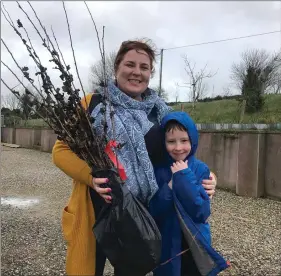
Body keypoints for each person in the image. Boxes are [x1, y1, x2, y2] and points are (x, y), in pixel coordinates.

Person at [52, 39, 217, 276]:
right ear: (117, 67)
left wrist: (211, 176)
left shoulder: (161, 113)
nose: (136, 72)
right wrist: (90, 177)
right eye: (130, 64)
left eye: (144, 67)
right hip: (95, 208)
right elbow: (60, 150)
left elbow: (182, 155)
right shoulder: (93, 104)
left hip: (141, 215)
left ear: (151, 73)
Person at [149, 111, 229, 276]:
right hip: (168, 243)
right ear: (163, 143)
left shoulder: (200, 169)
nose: (178, 147)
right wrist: (170, 185)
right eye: (171, 141)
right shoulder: (158, 170)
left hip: (195, 242)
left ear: (192, 140)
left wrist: (183, 177)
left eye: (184, 140)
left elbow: (200, 211)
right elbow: (154, 211)